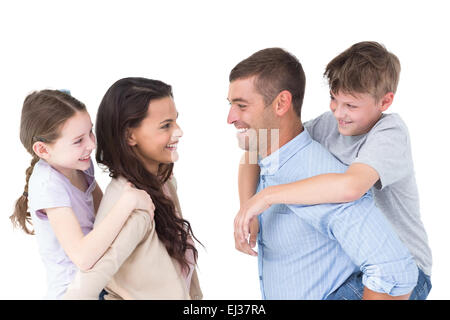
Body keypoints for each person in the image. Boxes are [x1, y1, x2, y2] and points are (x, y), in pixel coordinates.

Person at [234, 42, 432, 300]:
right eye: (333, 99)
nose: (339, 113)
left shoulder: (390, 132)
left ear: (385, 101)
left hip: (402, 268)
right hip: (353, 260)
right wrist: (248, 210)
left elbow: (352, 186)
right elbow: (257, 152)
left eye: (351, 105)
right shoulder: (329, 125)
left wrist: (267, 196)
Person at [63, 77, 202, 300]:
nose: (179, 132)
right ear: (130, 136)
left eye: (175, 121)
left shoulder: (163, 183)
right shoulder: (133, 206)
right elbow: (83, 290)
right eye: (166, 125)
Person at [10, 89, 153, 299]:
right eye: (78, 141)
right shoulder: (48, 185)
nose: (91, 145)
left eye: (90, 133)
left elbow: (103, 214)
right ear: (42, 150)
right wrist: (128, 202)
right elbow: (83, 257)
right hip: (76, 291)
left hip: (101, 278)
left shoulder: (80, 164)